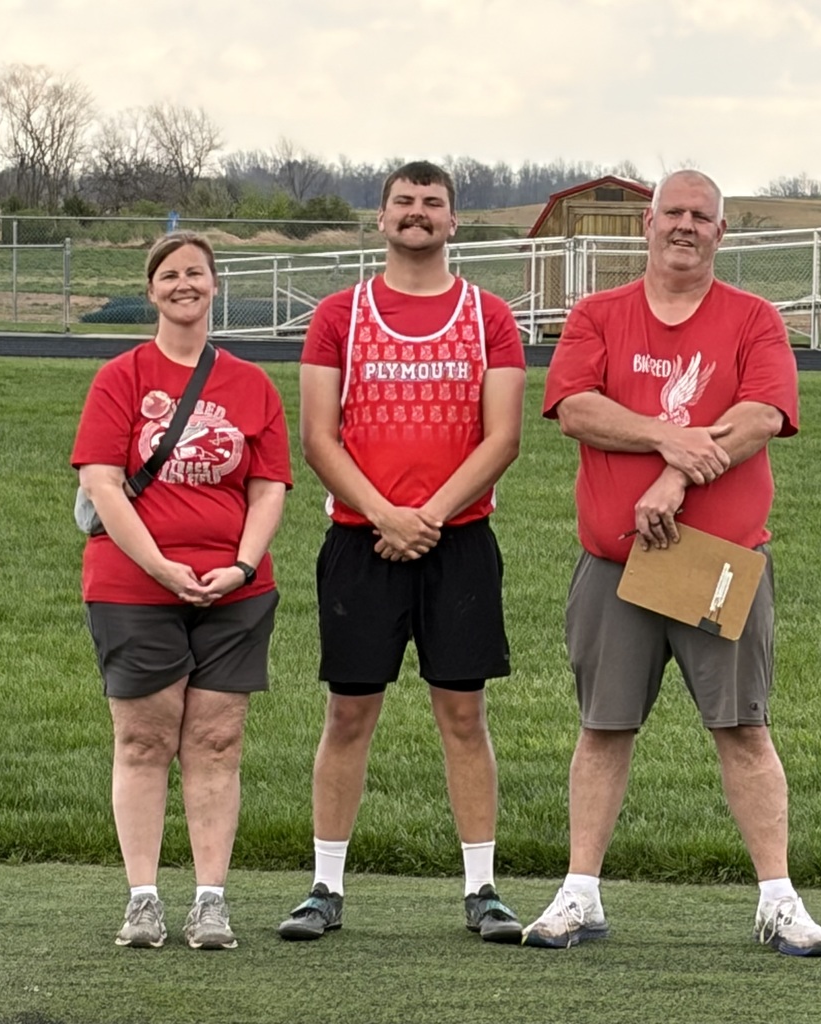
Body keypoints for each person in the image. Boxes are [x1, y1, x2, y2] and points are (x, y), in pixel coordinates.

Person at [523, 170, 821, 957]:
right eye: (673, 213)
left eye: (702, 216)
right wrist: (668, 437)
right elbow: (575, 408)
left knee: (743, 727)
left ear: (720, 233)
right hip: (615, 564)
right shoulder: (598, 314)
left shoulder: (754, 319)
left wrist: (672, 474)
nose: (685, 226)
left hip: (717, 559)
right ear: (649, 226)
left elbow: (762, 414)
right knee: (603, 727)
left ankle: (778, 900)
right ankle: (579, 894)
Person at [277, 161, 526, 943]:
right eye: (405, 202)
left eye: (434, 204)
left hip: (459, 542)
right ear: (380, 218)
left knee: (463, 712)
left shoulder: (488, 314)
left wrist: (430, 516)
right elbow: (318, 437)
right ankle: (325, 887)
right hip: (361, 540)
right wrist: (385, 512)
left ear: (455, 221)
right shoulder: (338, 315)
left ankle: (482, 889)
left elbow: (504, 436)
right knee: (349, 712)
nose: (418, 214)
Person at [71, 231, 292, 950]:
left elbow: (267, 488)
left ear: (214, 285)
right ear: (153, 289)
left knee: (217, 740)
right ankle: (142, 899)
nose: (183, 284)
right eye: (169, 275)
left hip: (234, 587)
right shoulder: (121, 376)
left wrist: (242, 564)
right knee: (142, 738)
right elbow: (102, 482)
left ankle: (209, 900)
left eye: (195, 272)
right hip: (133, 584)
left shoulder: (251, 384)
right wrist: (161, 566)